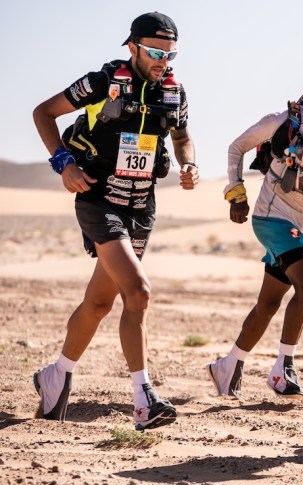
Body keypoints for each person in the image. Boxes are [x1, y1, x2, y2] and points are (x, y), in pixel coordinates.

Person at [31, 12, 199, 429]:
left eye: (170, 53)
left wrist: (189, 163)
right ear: (133, 47)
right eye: (155, 52)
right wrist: (64, 163)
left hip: (141, 206)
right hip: (98, 200)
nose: (163, 60)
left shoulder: (174, 92)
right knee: (138, 292)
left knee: (99, 303)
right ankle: (144, 401)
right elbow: (43, 113)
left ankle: (56, 374)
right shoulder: (101, 82)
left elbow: (182, 136)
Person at [207, 63, 303, 400]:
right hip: (271, 219)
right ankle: (283, 368)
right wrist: (236, 193)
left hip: (301, 225)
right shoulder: (282, 121)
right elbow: (236, 147)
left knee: (268, 303)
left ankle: (228, 366)